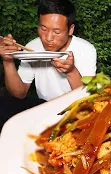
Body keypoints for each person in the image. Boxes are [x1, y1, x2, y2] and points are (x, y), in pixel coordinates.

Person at [0, 0, 97, 130]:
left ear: (70, 29)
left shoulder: (86, 50)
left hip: (74, 111)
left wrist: (71, 71)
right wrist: (7, 61)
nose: (48, 37)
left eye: (57, 32)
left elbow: (88, 99)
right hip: (44, 107)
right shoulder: (32, 47)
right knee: (4, 105)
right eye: (43, 29)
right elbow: (19, 93)